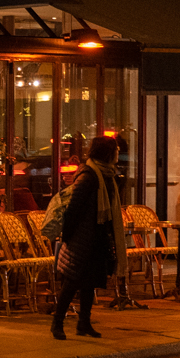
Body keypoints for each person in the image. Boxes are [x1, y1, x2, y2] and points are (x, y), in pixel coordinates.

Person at [51, 134, 127, 341]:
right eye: (116, 150)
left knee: (89, 282)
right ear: (108, 153)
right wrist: (68, 236)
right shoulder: (88, 177)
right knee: (72, 282)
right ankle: (57, 322)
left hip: (98, 237)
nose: (119, 153)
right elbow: (74, 209)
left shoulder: (106, 175)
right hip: (82, 239)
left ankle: (84, 322)